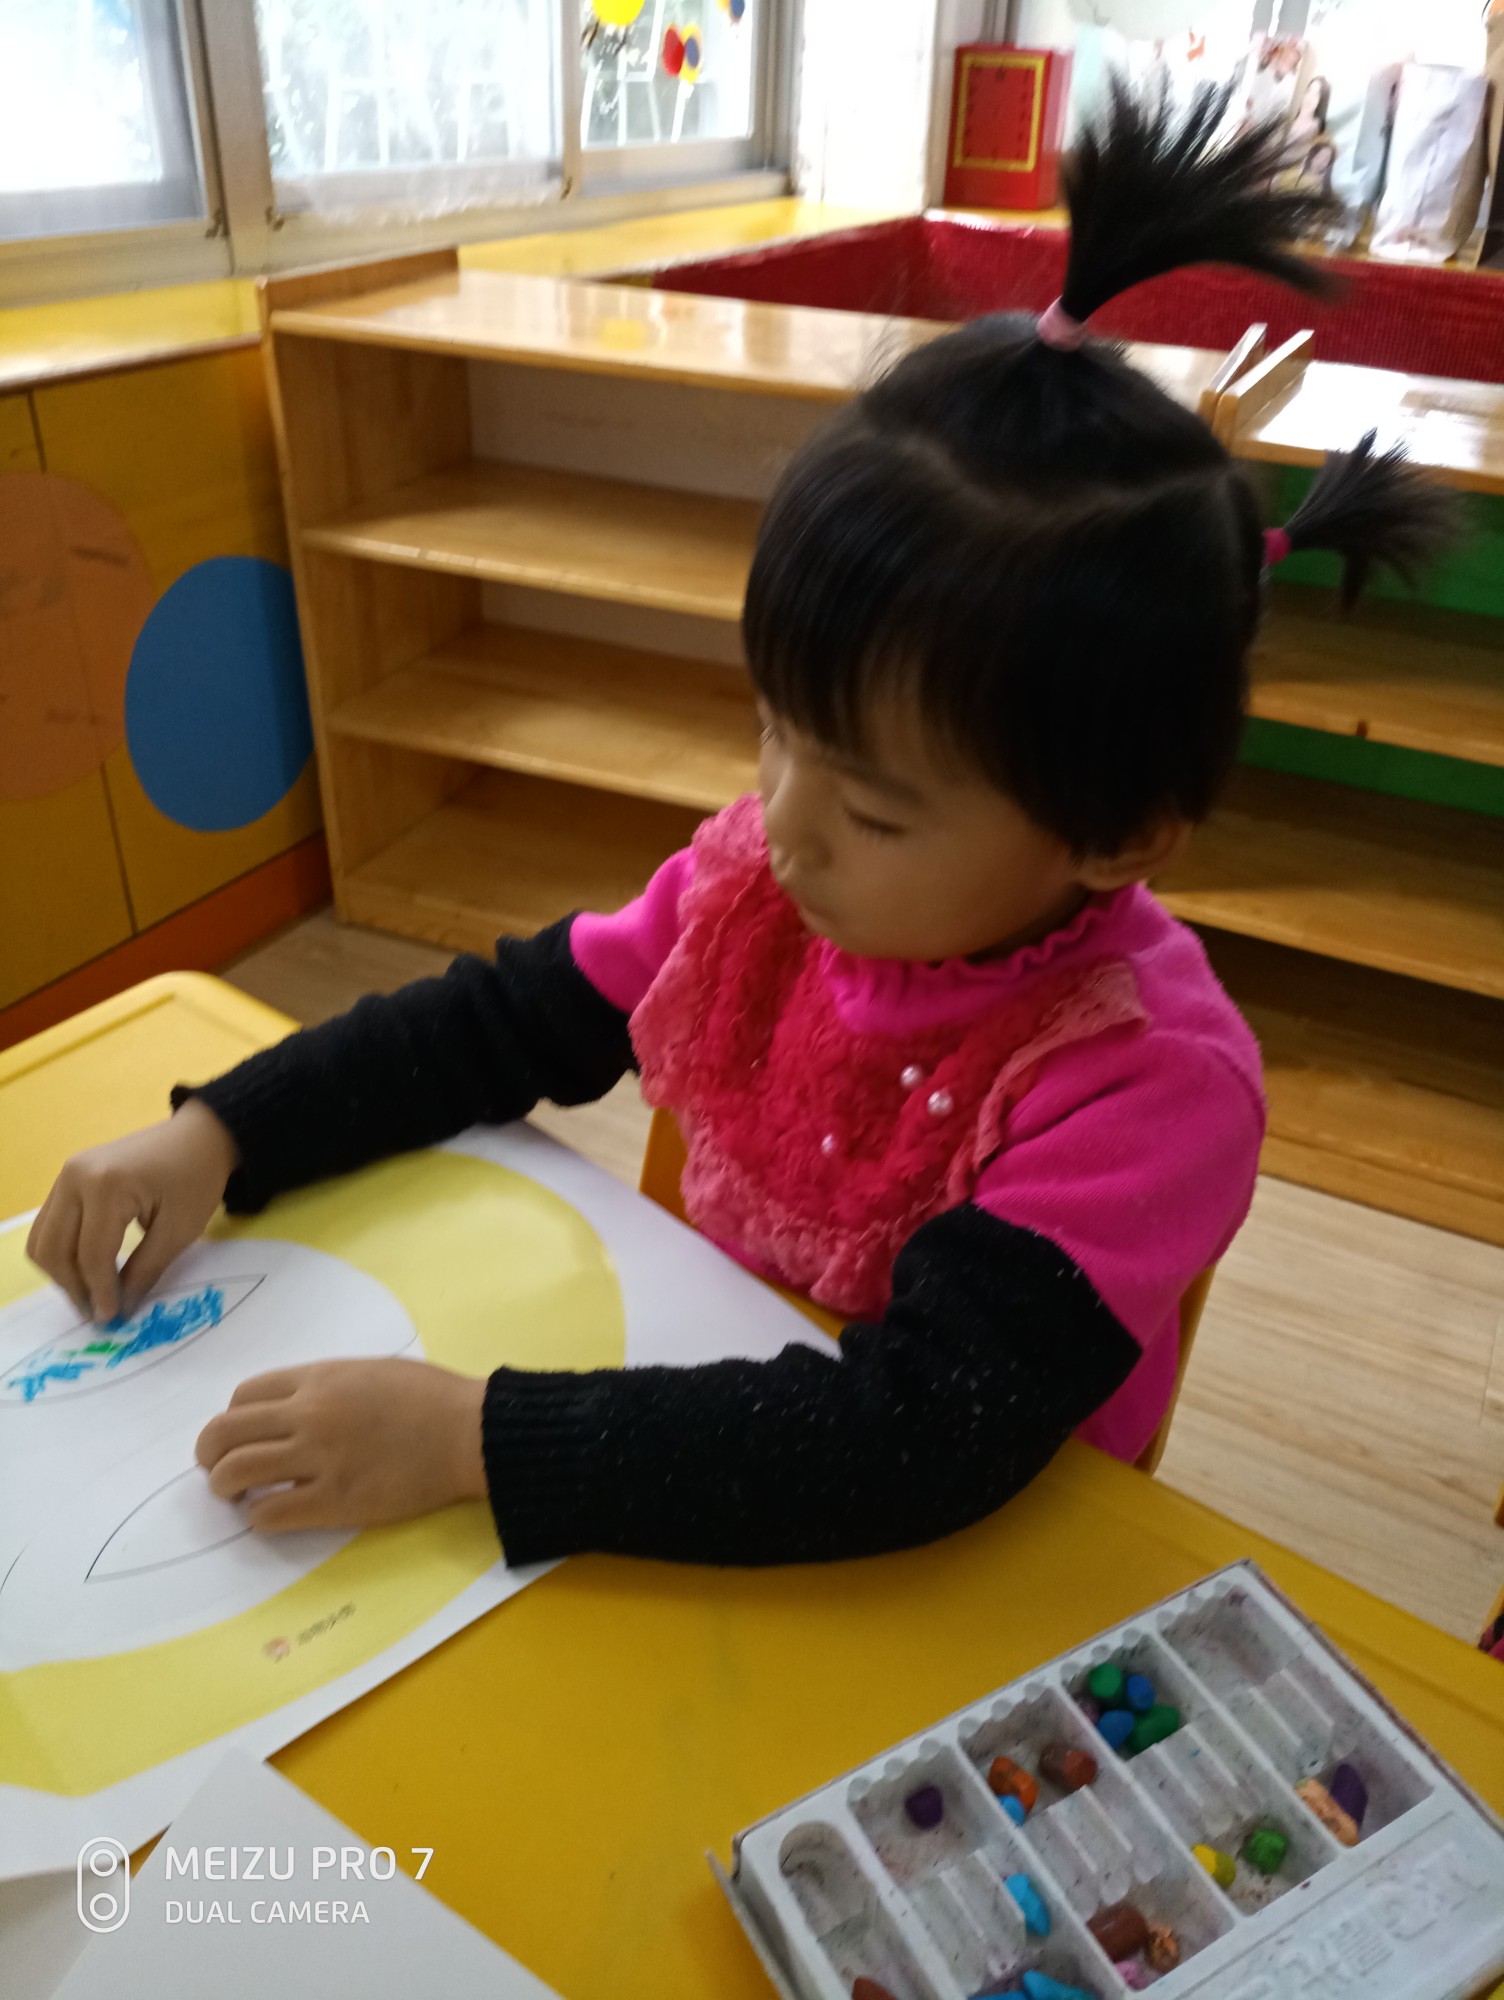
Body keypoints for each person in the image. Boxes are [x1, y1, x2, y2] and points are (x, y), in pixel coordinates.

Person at [25, 81, 1452, 1568]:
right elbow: (495, 1023)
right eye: (777, 731)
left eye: (875, 810)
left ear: (1119, 836)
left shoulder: (1147, 1087)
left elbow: (919, 1434)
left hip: (951, 1557)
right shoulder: (759, 890)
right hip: (696, 1431)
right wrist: (218, 1132)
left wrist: (469, 1442)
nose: (783, 827)